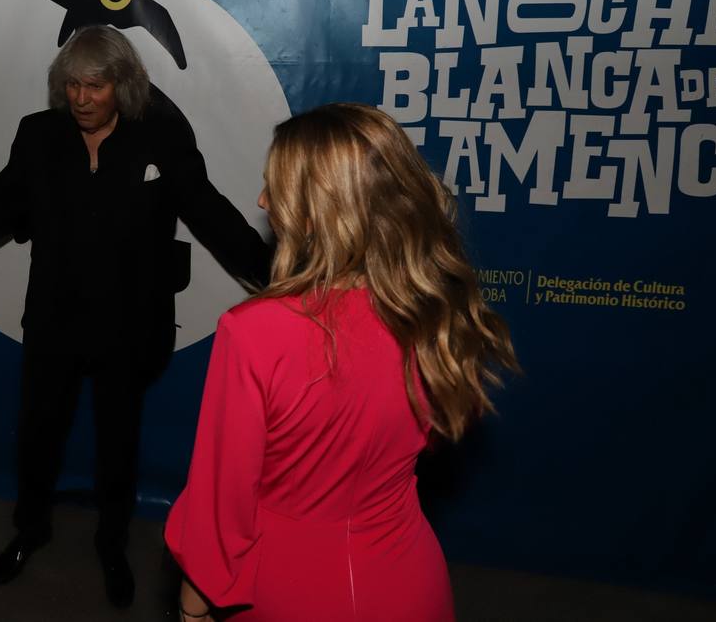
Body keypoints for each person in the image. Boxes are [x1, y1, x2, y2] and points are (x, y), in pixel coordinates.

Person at [0, 25, 270, 607]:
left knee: (119, 443)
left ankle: (113, 545)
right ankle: (29, 530)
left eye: (95, 85)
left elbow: (212, 213)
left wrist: (276, 277)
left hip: (131, 325)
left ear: (124, 84)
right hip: (53, 321)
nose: (82, 98)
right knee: (38, 434)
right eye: (71, 85)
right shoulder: (38, 136)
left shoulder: (160, 138)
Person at [165, 103, 520, 621]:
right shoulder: (431, 314)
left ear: (317, 214)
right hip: (408, 582)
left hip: (285, 589)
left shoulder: (253, 333)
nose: (262, 201)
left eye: (276, 190)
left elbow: (223, 508)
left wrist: (192, 608)